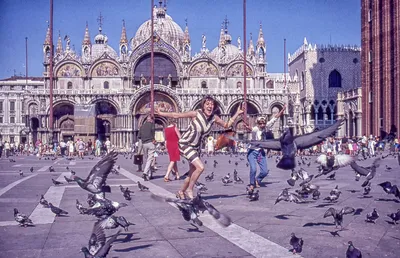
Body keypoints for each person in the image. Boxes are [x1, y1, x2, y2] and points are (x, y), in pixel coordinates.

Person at [156, 95, 244, 199]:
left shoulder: (213, 118)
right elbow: (177, 115)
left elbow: (226, 125)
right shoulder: (196, 113)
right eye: (207, 104)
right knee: (200, 167)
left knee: (192, 173)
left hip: (196, 148)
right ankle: (189, 189)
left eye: (212, 104)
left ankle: (181, 191)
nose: (210, 106)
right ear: (203, 106)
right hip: (186, 144)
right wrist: (162, 113)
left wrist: (237, 114)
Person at [244, 105, 286, 191]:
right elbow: (251, 129)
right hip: (252, 151)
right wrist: (248, 128)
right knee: (253, 169)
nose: (262, 125)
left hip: (260, 152)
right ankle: (252, 184)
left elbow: (275, 118)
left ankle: (257, 180)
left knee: (265, 171)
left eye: (264, 123)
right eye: (261, 123)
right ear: (258, 123)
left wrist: (282, 110)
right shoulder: (255, 129)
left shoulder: (267, 127)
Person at [138, 116, 156, 181]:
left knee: (148, 159)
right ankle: (145, 173)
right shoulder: (152, 125)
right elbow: (153, 132)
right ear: (151, 120)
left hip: (144, 144)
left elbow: (139, 136)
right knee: (150, 159)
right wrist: (153, 139)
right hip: (150, 143)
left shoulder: (142, 126)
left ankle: (150, 174)